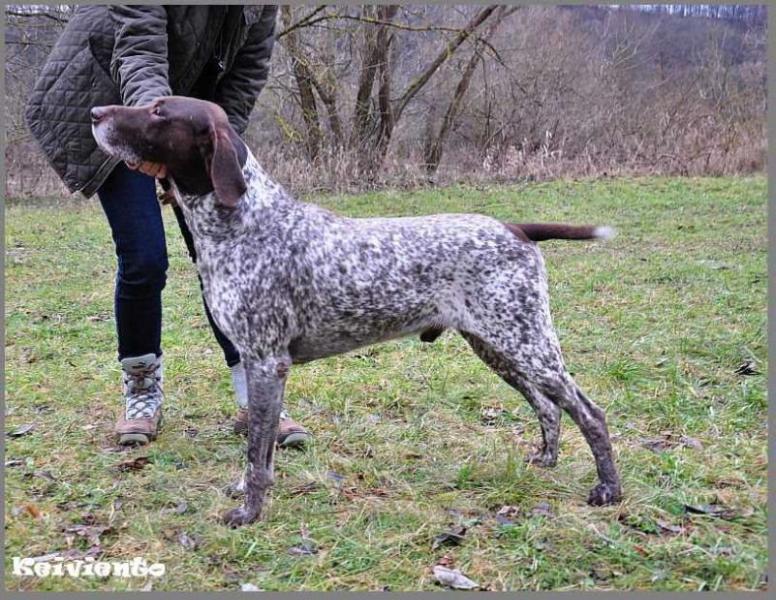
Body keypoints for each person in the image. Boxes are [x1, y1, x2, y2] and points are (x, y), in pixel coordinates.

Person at [25, 5, 311, 447]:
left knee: (228, 258)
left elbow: (246, 76)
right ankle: (141, 391)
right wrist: (153, 135)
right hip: (117, 107)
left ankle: (257, 396)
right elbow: (139, 51)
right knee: (144, 258)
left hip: (184, 123)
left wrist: (214, 153)